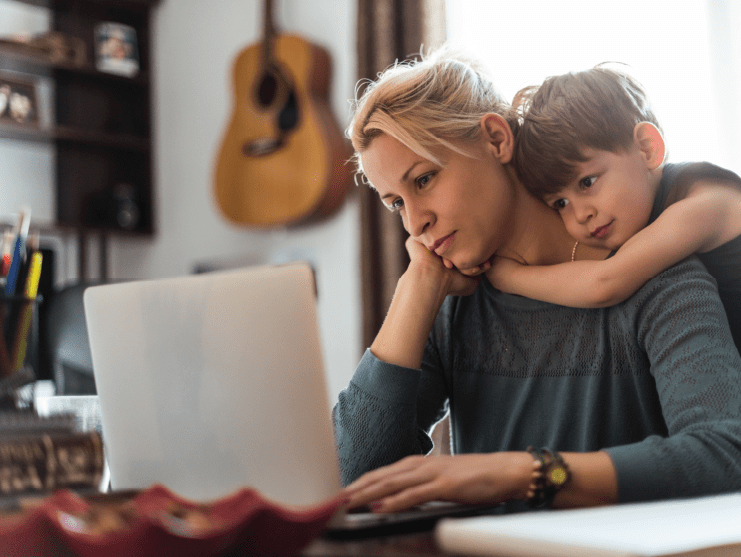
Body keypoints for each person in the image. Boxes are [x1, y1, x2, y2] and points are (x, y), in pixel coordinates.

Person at [332, 47, 741, 514]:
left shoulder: (657, 276)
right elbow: (358, 482)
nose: (414, 224)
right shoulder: (449, 302)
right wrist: (415, 286)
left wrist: (526, 474)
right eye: (396, 203)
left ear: (495, 138)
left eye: (424, 180)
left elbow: (726, 455)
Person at [487, 65, 741, 347]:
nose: (581, 214)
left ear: (646, 148)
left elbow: (605, 284)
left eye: (587, 183)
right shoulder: (645, 211)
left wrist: (508, 276)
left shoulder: (707, 201)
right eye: (560, 203)